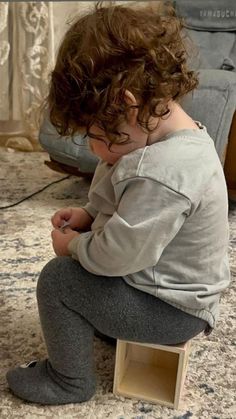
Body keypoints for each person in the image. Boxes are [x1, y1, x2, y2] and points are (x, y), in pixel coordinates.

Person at [6, 1, 230, 405]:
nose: (93, 149)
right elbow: (125, 203)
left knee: (59, 280)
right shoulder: (159, 134)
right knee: (84, 270)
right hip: (158, 290)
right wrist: (90, 215)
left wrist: (73, 245)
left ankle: (68, 381)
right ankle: (106, 323)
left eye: (94, 135)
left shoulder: (160, 172)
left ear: (126, 105)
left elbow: (116, 258)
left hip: (171, 312)